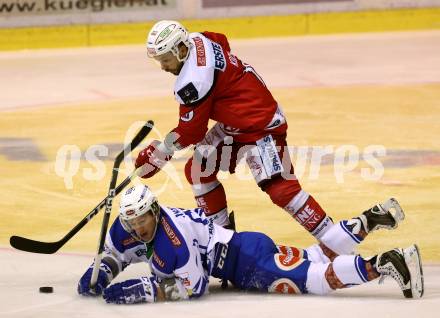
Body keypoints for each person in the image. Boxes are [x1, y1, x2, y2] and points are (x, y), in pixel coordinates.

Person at [133, 20, 397, 260]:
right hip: (237, 123)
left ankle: (337, 242)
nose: (163, 66)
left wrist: (158, 154)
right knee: (199, 170)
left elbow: (191, 131)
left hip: (261, 126)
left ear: (180, 49)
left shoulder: (192, 81)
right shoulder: (199, 39)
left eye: (166, 59)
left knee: (281, 188)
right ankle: (222, 239)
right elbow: (222, 40)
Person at [77, 184, 424, 304]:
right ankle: (370, 218)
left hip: (248, 264)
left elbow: (194, 285)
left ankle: (385, 264)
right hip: (249, 246)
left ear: (155, 212)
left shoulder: (174, 241)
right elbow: (116, 253)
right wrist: (103, 270)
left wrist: (141, 290)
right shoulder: (130, 227)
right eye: (133, 223)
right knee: (316, 256)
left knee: (318, 280)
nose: (138, 228)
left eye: (143, 220)